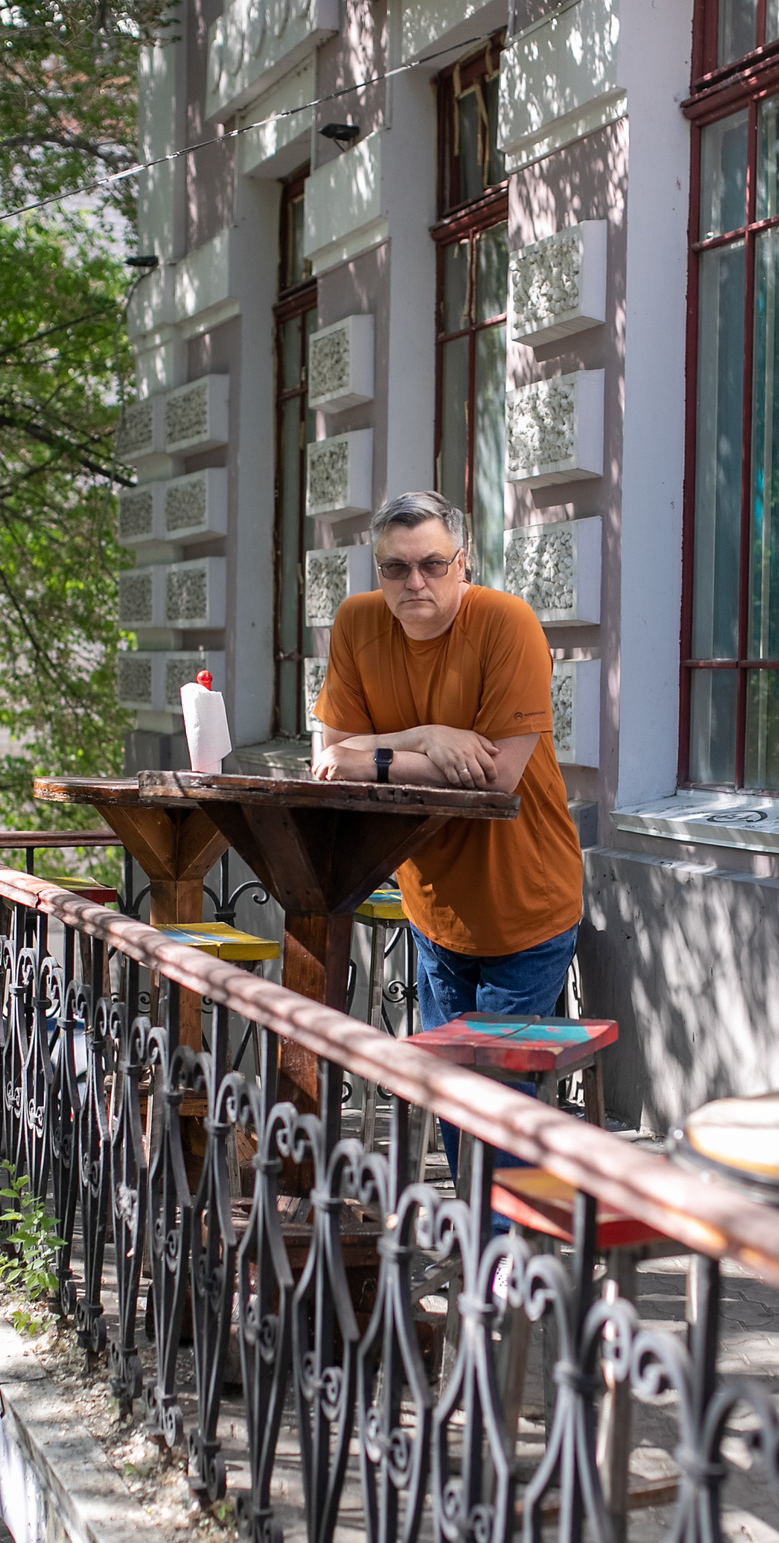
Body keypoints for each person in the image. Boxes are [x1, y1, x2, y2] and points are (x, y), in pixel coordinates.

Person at [311, 490, 583, 1176]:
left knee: (494, 1097)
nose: (415, 582)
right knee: (454, 1095)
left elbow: (497, 777)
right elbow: (331, 758)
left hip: (526, 905)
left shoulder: (507, 623)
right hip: (433, 907)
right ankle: (480, 1236)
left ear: (463, 563)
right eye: (395, 568)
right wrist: (428, 737)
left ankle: (497, 1243)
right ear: (377, 569)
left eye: (433, 564)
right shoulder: (357, 622)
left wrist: (371, 754)